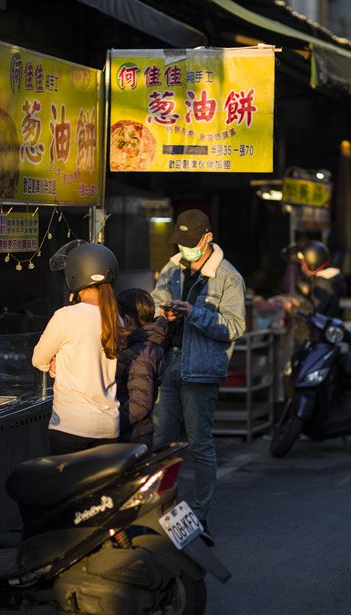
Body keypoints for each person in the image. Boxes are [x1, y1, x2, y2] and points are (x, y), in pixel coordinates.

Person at [152, 209, 246, 530]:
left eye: (190, 243)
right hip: (169, 362)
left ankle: (201, 515)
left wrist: (193, 313)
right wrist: (164, 313)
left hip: (202, 370)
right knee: (161, 440)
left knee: (200, 442)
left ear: (208, 238)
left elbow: (233, 326)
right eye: (180, 243)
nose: (184, 250)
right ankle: (159, 507)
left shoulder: (228, 276)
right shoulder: (172, 266)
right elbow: (156, 301)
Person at [33, 240, 125, 456]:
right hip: (108, 427)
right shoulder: (116, 319)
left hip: (71, 425)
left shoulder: (65, 316)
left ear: (74, 274)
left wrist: (56, 366)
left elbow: (38, 360)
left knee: (66, 489)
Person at [115, 289, 168, 448]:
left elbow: (140, 404)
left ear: (127, 321)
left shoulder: (142, 353)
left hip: (132, 437)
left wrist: (111, 422)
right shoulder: (139, 346)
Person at [288, 240, 347, 318]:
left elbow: (314, 313)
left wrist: (291, 307)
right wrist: (309, 291)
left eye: (303, 264)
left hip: (322, 328)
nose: (302, 267)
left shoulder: (322, 283)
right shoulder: (329, 278)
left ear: (312, 263)